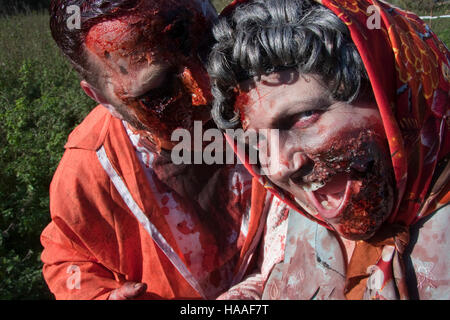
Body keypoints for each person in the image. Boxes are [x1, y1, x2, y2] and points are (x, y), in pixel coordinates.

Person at [209, 0, 449, 299]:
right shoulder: (306, 216)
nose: (279, 167)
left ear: (395, 95)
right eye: (258, 141)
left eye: (302, 117)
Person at [41, 0, 271, 300]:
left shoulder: (275, 90)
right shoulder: (90, 172)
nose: (206, 94)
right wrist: (98, 295)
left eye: (208, 53)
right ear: (100, 98)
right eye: (158, 92)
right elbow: (67, 256)